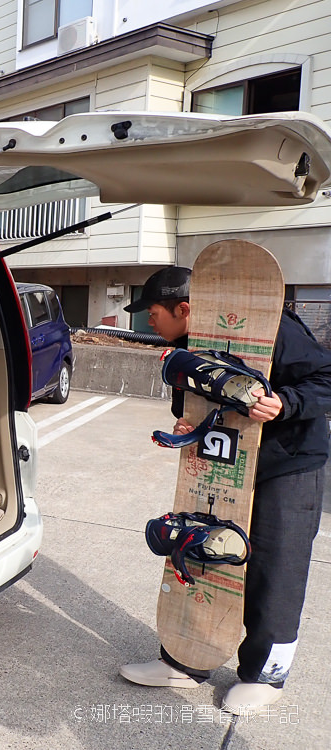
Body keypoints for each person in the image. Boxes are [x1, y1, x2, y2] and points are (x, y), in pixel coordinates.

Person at [119, 265, 331, 714]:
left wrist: (285, 403)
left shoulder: (272, 325)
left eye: (153, 312)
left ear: (184, 308)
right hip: (224, 463)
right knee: (200, 549)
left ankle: (265, 676)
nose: (149, 322)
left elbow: (325, 380)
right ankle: (186, 659)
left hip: (287, 465)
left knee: (276, 572)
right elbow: (195, 401)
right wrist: (187, 424)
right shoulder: (187, 347)